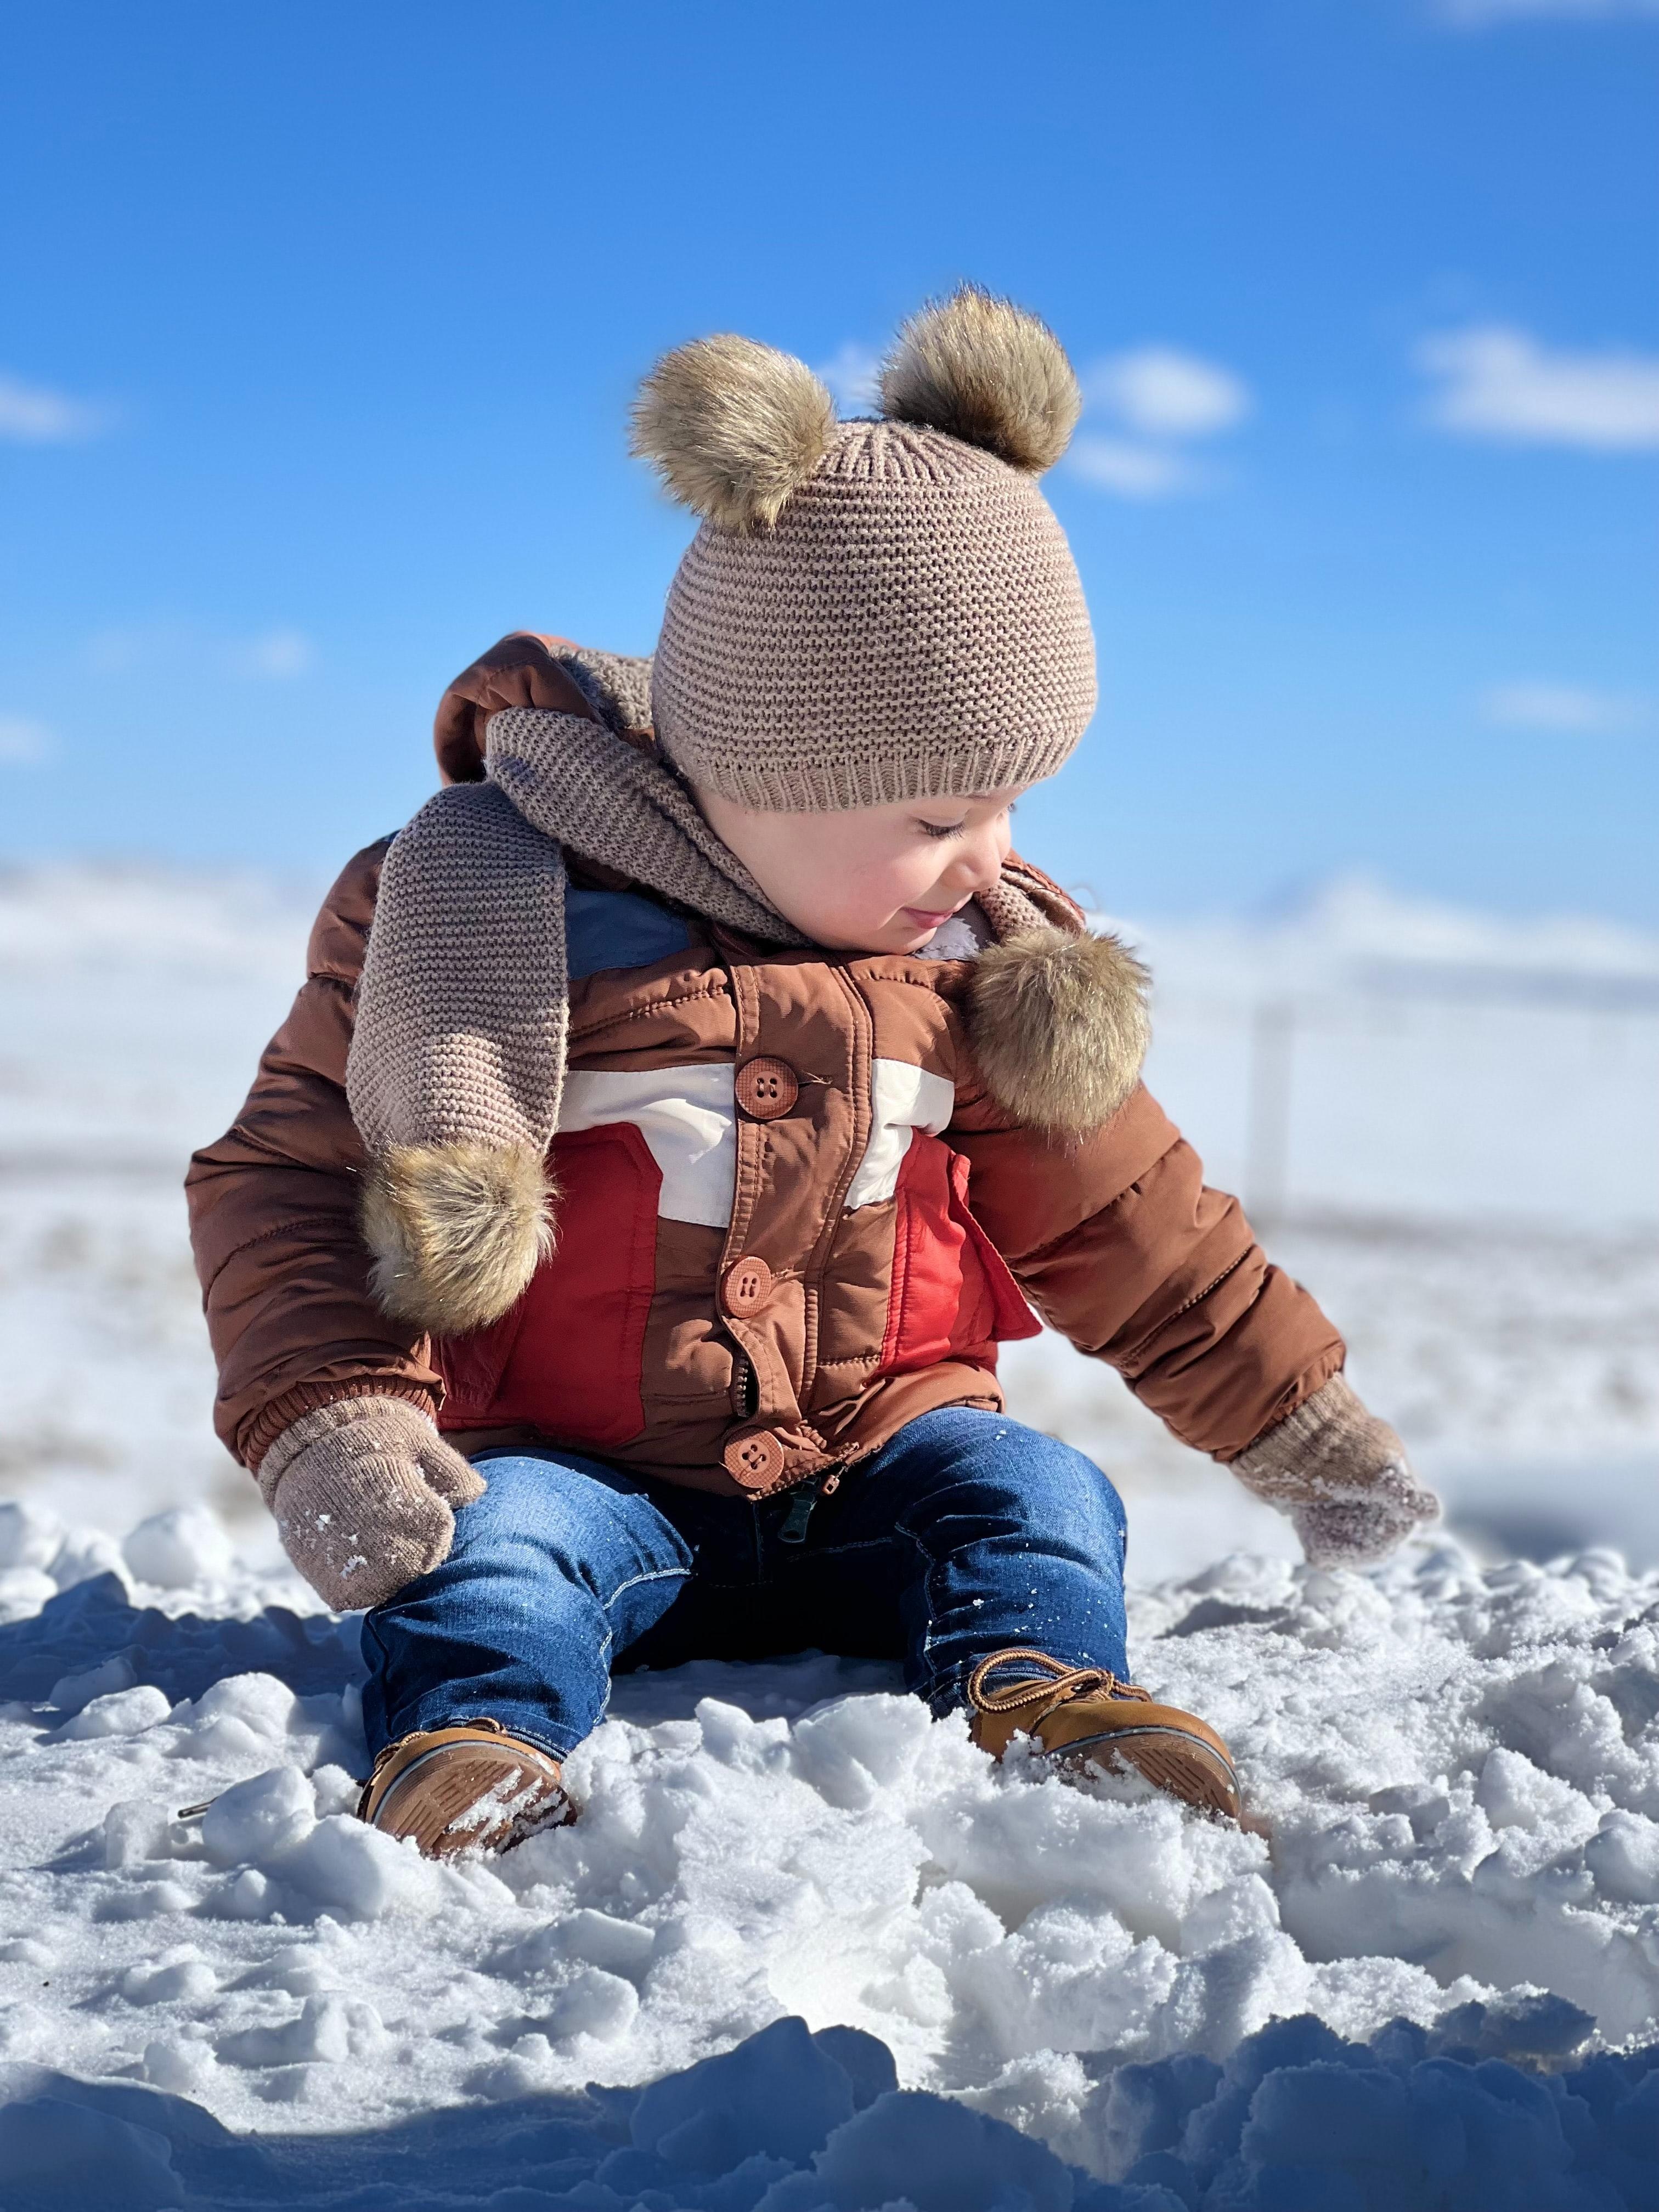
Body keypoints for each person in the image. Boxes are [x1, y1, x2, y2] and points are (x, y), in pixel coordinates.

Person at [186, 287, 1439, 1859]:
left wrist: (1302, 1429)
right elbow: (289, 1178)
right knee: (491, 1551)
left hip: (876, 1459)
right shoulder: (501, 916)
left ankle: (1044, 1691)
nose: (983, 860)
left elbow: (1136, 1225)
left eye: (1009, 804)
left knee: (1034, 1490)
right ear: (758, 770)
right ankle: (476, 1734)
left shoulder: (977, 963)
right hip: (579, 1469)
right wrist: (339, 1420)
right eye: (932, 819)